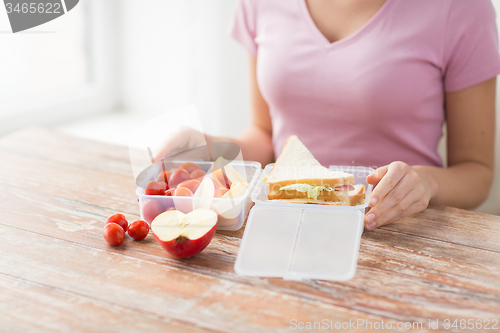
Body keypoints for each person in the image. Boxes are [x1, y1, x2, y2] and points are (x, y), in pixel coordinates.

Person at [155, 0, 500, 230]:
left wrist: (427, 182)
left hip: (401, 237)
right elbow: (264, 136)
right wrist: (207, 147)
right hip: (285, 229)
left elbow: (477, 174)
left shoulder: (461, 8)